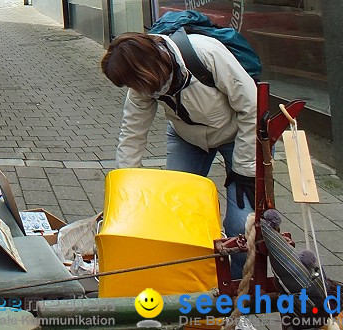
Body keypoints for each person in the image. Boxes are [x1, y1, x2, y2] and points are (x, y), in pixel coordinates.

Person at [101, 31, 256, 274]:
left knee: (239, 224)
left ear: (147, 69)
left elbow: (252, 108)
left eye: (134, 83)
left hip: (240, 135)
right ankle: (192, 275)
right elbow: (132, 133)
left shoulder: (207, 53)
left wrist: (244, 171)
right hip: (188, 137)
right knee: (176, 211)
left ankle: (237, 290)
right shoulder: (142, 84)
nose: (134, 89)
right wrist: (125, 189)